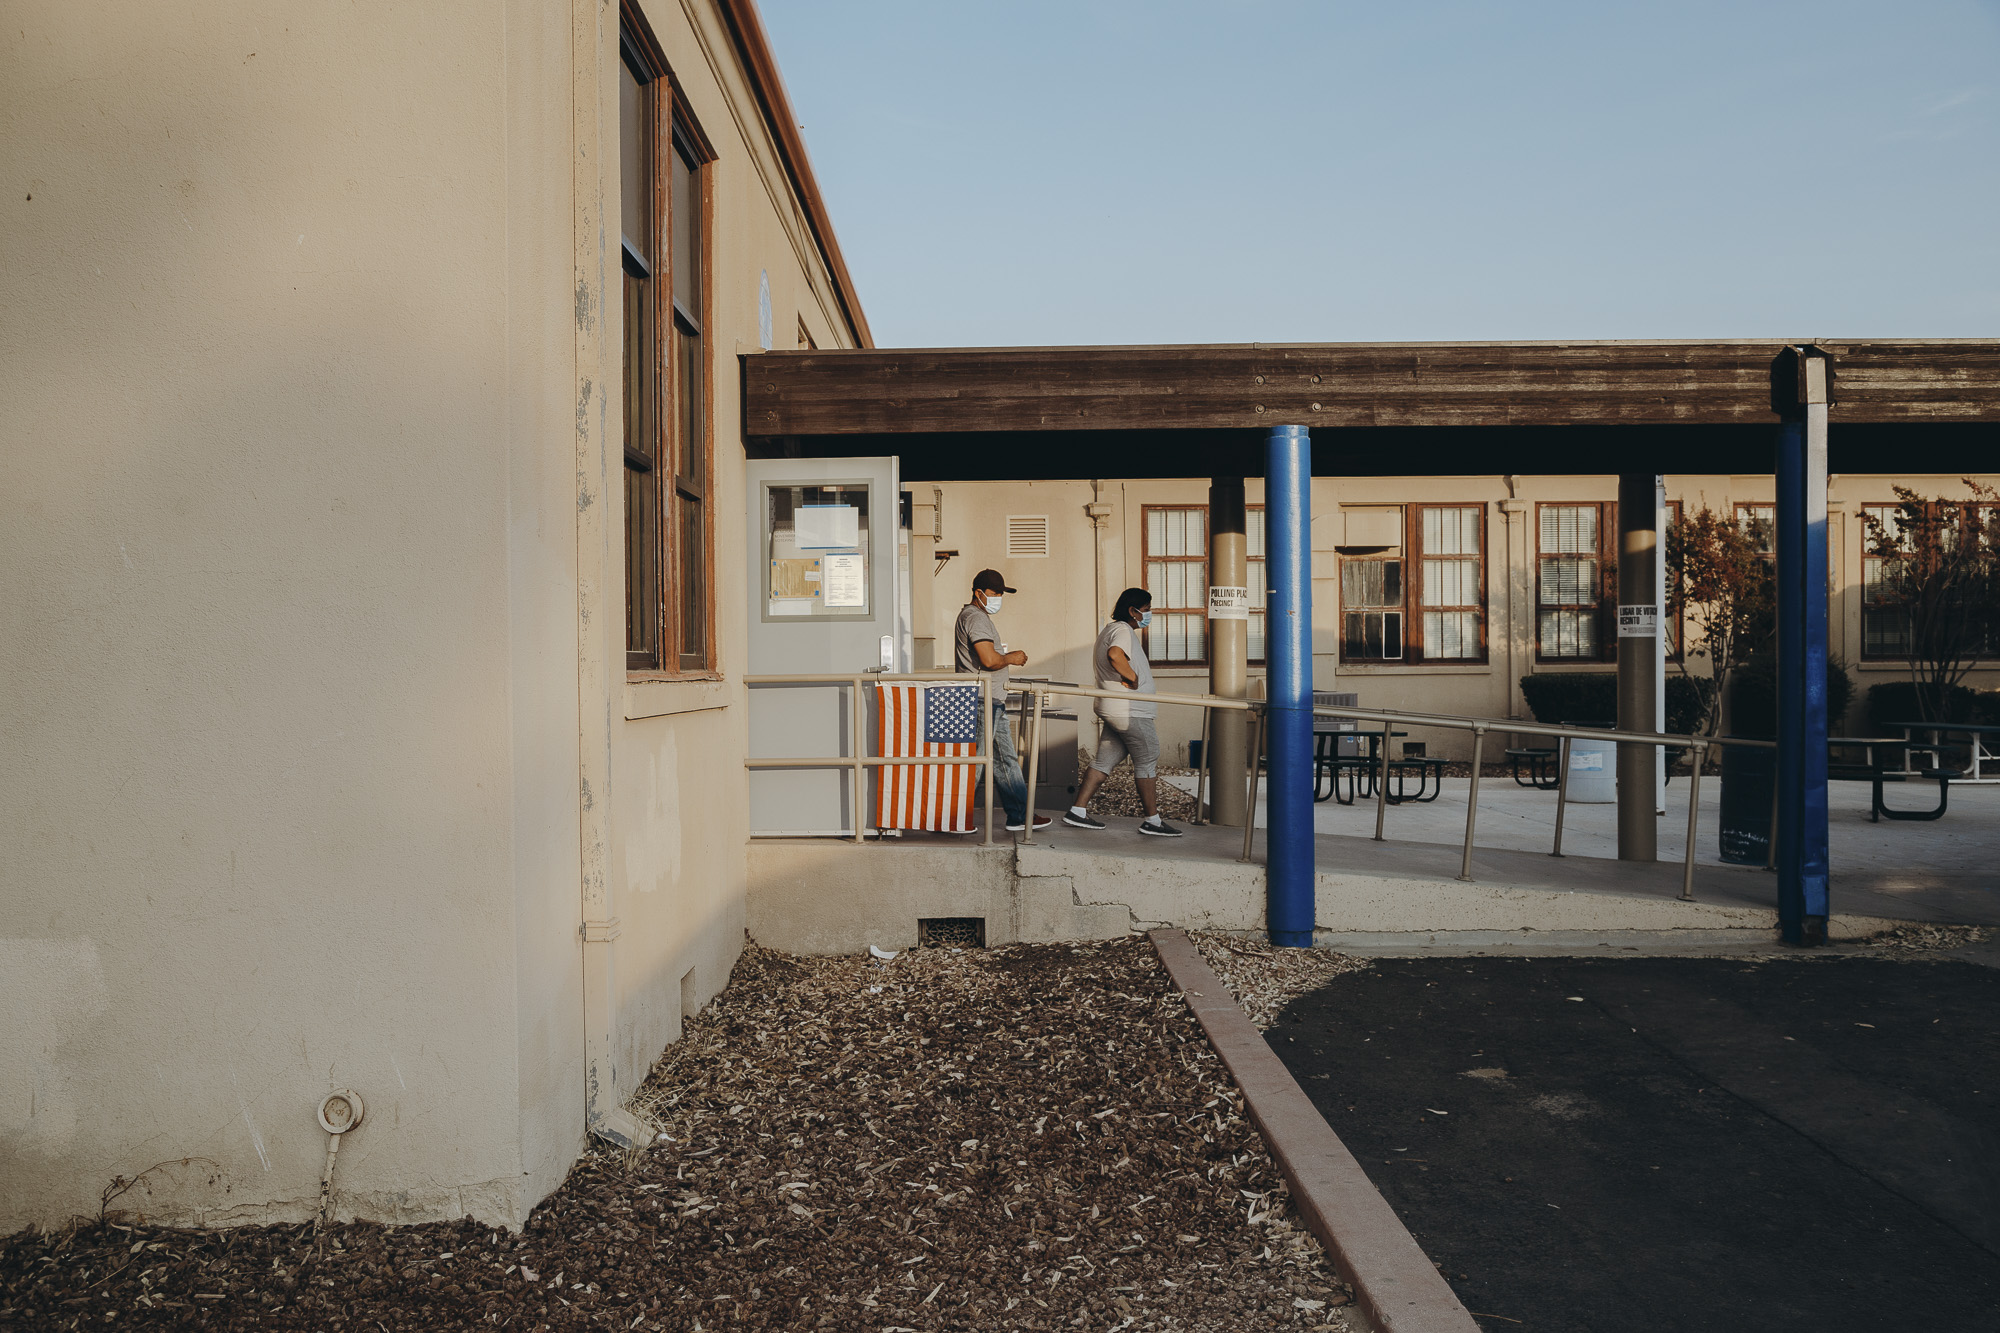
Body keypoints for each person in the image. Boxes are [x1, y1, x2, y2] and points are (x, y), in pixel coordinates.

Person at [1066, 588, 1183, 837]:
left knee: (1104, 760)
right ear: (1133, 610)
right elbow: (1115, 655)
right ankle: (1152, 820)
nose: (1149, 614)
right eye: (1147, 609)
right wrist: (1132, 676)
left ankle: (1077, 811)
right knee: (1148, 756)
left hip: (1114, 707)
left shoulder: (1109, 630)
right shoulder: (1123, 630)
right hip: (1130, 710)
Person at [953, 569, 1051, 833]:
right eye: (995, 594)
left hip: (990, 700)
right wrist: (1012, 657)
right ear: (979, 593)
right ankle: (955, 818)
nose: (998, 599)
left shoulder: (975, 617)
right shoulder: (975, 618)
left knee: (1004, 759)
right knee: (975, 761)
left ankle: (1019, 815)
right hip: (982, 700)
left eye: (1000, 594)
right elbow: (988, 659)